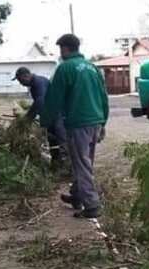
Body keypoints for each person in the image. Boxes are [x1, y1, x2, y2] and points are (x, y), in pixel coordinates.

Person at [41, 33, 109, 219]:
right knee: (86, 162)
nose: (60, 53)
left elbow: (53, 98)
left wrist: (44, 122)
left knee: (82, 164)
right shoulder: (93, 68)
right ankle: (77, 195)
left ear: (65, 48)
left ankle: (91, 206)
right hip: (95, 121)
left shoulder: (65, 68)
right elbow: (103, 96)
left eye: (60, 49)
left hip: (78, 123)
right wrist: (103, 122)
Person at [14, 66, 67, 170]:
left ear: (26, 76)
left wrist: (28, 119)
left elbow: (40, 101)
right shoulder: (35, 84)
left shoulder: (39, 82)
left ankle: (67, 167)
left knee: (62, 141)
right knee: (52, 141)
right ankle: (56, 166)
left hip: (57, 115)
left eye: (21, 80)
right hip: (50, 116)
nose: (21, 84)